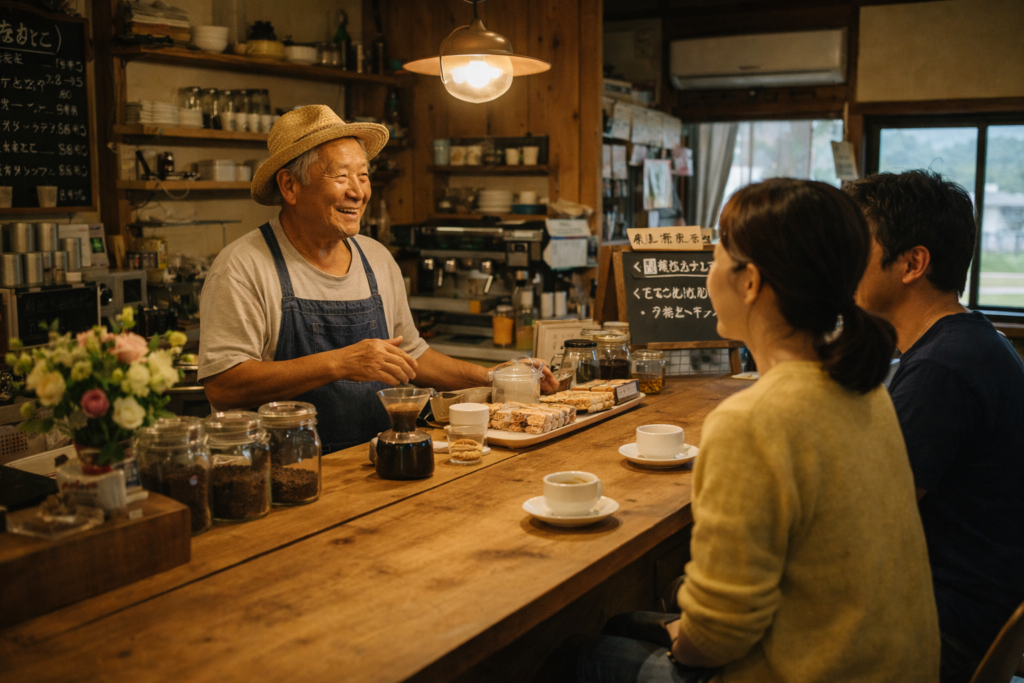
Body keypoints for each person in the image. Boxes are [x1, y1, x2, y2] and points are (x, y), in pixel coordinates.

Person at [567, 179, 939, 683]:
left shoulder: (751, 421)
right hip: (895, 664)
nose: (705, 277)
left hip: (814, 670)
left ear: (749, 282)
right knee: (625, 622)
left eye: (716, 257)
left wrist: (685, 636)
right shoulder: (865, 389)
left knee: (579, 657)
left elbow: (717, 633)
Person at [199, 105, 554, 453]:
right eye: (341, 176)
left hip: (377, 464)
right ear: (290, 187)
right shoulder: (244, 266)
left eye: (364, 176)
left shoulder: (376, 257)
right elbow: (225, 386)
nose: (358, 192)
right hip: (289, 474)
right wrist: (340, 362)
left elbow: (413, 356)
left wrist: (493, 376)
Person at [847, 170, 1024, 683]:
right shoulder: (969, 341)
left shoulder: (941, 371)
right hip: (977, 612)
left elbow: (866, 519)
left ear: (912, 263)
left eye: (857, 244)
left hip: (942, 630)